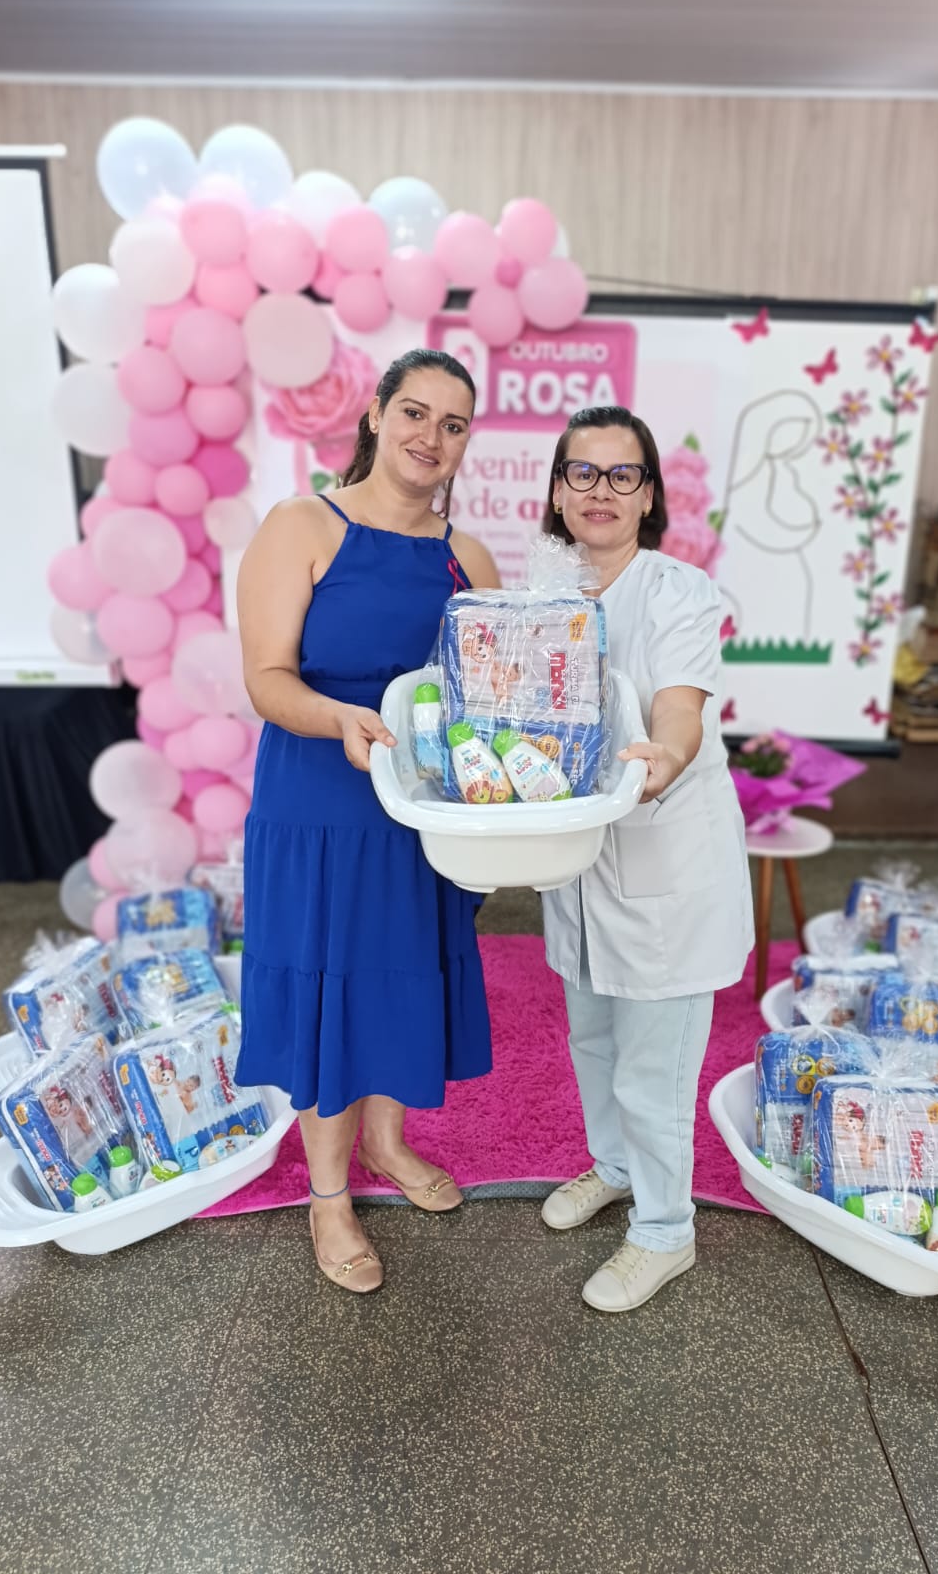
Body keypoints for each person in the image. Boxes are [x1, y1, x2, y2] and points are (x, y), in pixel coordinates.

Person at [236, 348, 499, 1295]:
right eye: (415, 412)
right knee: (331, 987)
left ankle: (387, 1142)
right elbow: (267, 679)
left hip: (420, 809)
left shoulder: (468, 558)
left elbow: (486, 690)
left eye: (453, 424)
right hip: (321, 803)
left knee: (404, 976)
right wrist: (338, 718)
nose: (431, 437)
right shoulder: (304, 524)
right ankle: (328, 1196)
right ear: (377, 415)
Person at [538, 405, 754, 1313]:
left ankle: (665, 1231)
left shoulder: (678, 592)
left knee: (652, 1069)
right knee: (592, 1038)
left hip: (665, 864)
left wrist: (663, 755)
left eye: (621, 474)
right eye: (582, 472)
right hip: (580, 860)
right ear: (558, 491)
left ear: (649, 495)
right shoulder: (546, 595)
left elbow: (680, 704)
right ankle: (616, 1167)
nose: (601, 490)